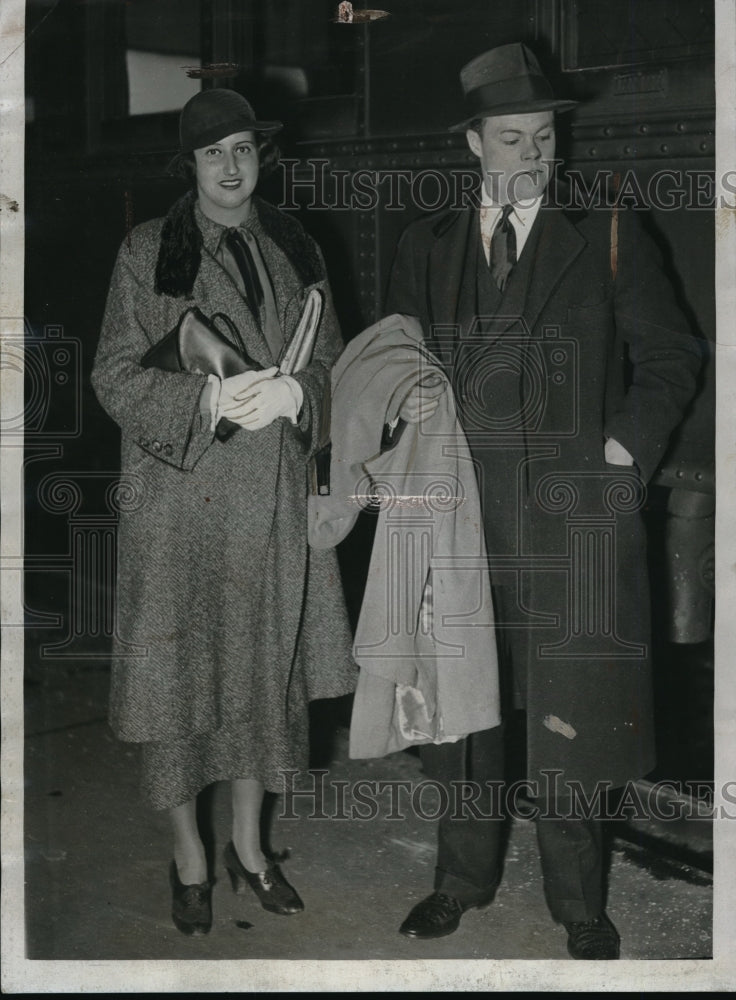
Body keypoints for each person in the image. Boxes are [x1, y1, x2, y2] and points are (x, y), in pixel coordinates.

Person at [383, 43, 702, 958]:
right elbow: (398, 361)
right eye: (513, 137)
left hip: (570, 519)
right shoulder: (427, 243)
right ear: (473, 144)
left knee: (570, 716)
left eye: (547, 135)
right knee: (464, 710)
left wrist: (620, 452)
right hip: (458, 521)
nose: (533, 155)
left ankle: (578, 901)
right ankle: (460, 880)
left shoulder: (603, 226)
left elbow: (674, 356)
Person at [91, 88, 356, 936]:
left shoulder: (293, 245)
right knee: (178, 691)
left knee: (260, 683)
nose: (233, 167)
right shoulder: (147, 253)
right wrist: (204, 405)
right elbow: (114, 376)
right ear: (192, 166)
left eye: (243, 149)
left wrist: (297, 395)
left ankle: (249, 850)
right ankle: (191, 860)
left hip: (271, 503)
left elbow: (338, 363)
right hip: (180, 506)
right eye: (215, 154)